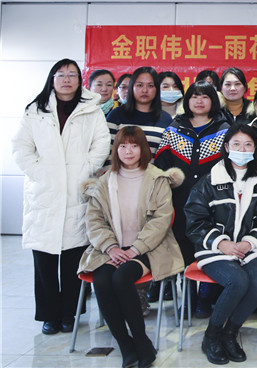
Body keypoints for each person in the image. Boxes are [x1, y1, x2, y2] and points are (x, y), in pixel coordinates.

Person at [12, 59, 111, 335]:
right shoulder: (35, 110)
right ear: (52, 79)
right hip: (44, 191)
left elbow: (101, 143)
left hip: (76, 190)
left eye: (72, 75)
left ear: (80, 80)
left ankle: (70, 313)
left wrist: (86, 169)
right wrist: (40, 172)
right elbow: (21, 147)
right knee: (44, 260)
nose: (67, 79)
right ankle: (48, 315)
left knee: (73, 257)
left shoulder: (91, 110)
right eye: (61, 74)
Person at [78, 126, 184, 368]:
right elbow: (94, 220)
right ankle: (125, 344)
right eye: (123, 146)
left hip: (148, 248)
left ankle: (141, 340)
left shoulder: (157, 178)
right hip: (111, 248)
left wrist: (134, 249)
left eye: (134, 146)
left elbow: (161, 221)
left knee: (121, 278)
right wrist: (110, 247)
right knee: (102, 280)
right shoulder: (104, 181)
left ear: (143, 149)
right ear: (115, 150)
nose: (128, 151)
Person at [184, 123, 257, 365]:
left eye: (248, 144)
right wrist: (222, 243)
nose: (242, 149)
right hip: (215, 249)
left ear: (255, 148)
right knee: (237, 281)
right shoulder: (209, 181)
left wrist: (249, 242)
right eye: (236, 144)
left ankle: (229, 334)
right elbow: (195, 221)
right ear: (226, 147)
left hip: (250, 248)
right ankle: (212, 335)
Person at [154, 82, 231, 269]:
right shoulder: (174, 128)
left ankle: (207, 284)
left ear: (213, 101)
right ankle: (181, 282)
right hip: (178, 199)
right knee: (181, 246)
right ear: (187, 100)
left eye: (205, 97)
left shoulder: (224, 129)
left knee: (210, 247)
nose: (199, 101)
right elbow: (160, 166)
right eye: (194, 97)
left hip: (213, 201)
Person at [106, 66, 173, 158]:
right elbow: (108, 153)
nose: (145, 90)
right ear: (132, 87)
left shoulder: (166, 120)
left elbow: (167, 157)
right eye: (140, 85)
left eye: (150, 86)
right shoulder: (116, 115)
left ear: (157, 89)